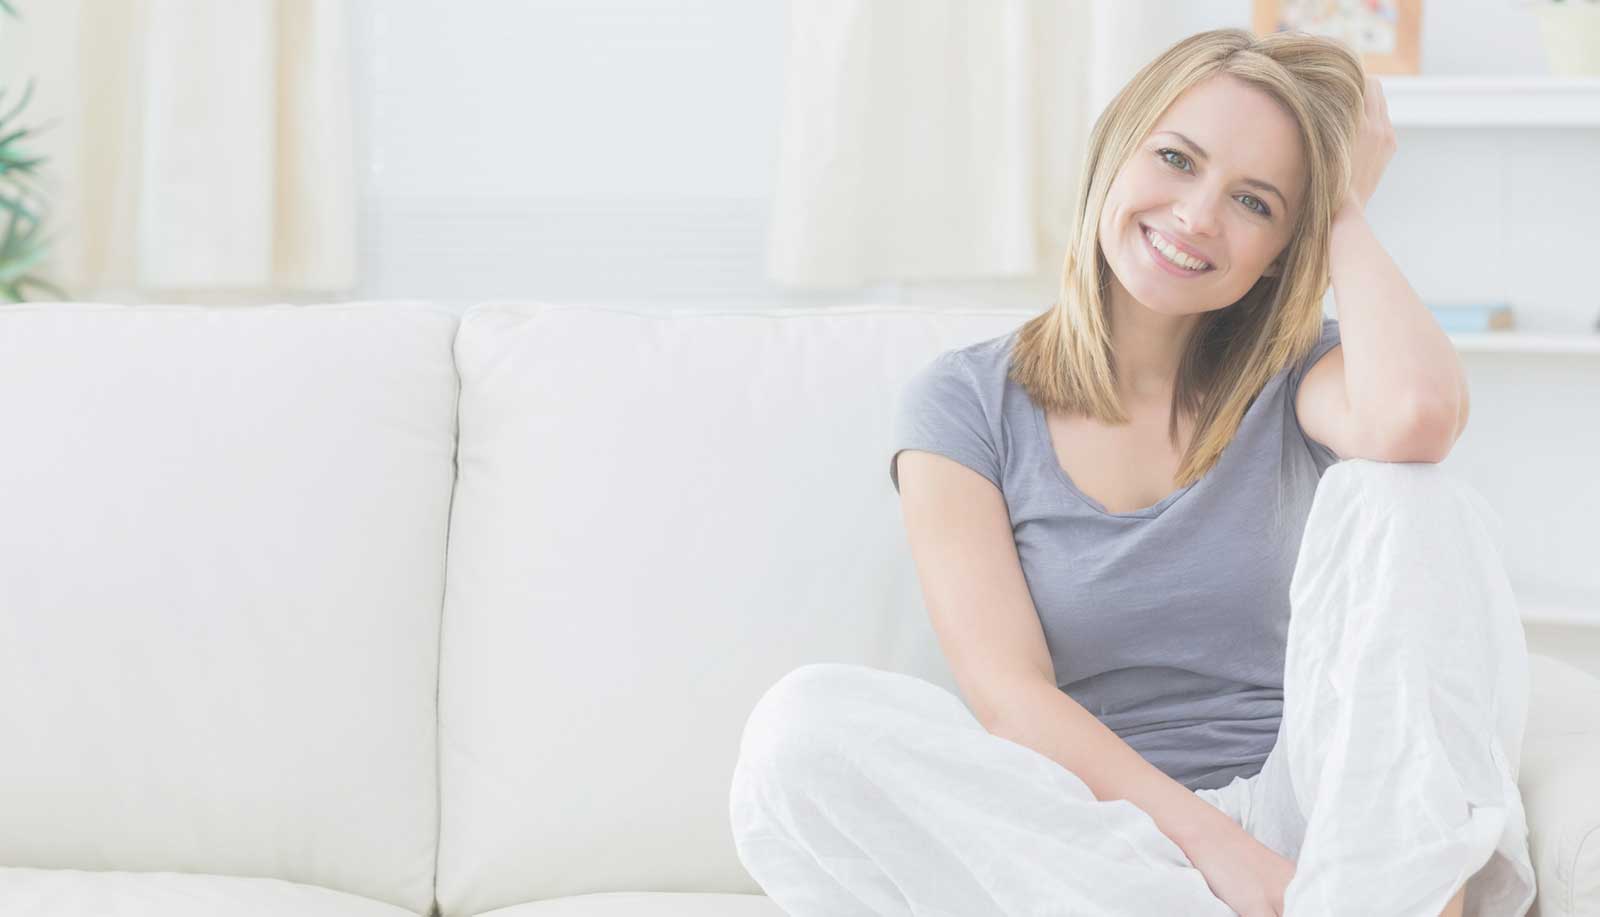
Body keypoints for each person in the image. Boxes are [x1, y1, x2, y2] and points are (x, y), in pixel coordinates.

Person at [728, 26, 1535, 917]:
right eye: (1177, 158)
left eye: (1256, 203)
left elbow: (1417, 419)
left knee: (1408, 492)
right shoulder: (965, 403)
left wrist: (1342, 206)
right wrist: (1232, 866)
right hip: (1099, 839)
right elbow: (1011, 698)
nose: (1196, 215)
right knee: (801, 730)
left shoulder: (1307, 374)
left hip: (1310, 825)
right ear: (1117, 147)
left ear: (1284, 248)